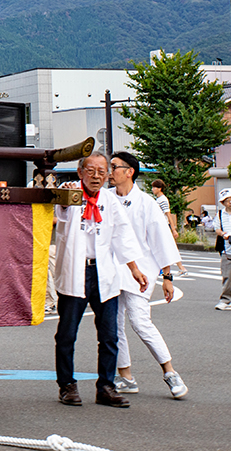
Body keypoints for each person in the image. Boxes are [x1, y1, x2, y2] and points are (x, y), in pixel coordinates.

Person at [52, 151, 149, 408]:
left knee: (109, 335)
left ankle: (106, 386)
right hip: (75, 272)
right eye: (90, 170)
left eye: (101, 172)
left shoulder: (109, 200)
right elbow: (59, 215)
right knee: (67, 333)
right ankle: (67, 385)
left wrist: (134, 269)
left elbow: (121, 236)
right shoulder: (71, 194)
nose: (96, 176)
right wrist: (65, 197)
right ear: (80, 172)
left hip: (103, 273)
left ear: (107, 176)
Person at [107, 152, 188, 400]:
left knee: (140, 322)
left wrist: (167, 276)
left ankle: (170, 372)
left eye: (114, 167)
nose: (110, 172)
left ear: (129, 171)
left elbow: (161, 241)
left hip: (139, 272)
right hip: (111, 272)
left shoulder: (146, 203)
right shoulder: (106, 198)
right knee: (114, 326)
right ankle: (126, 377)